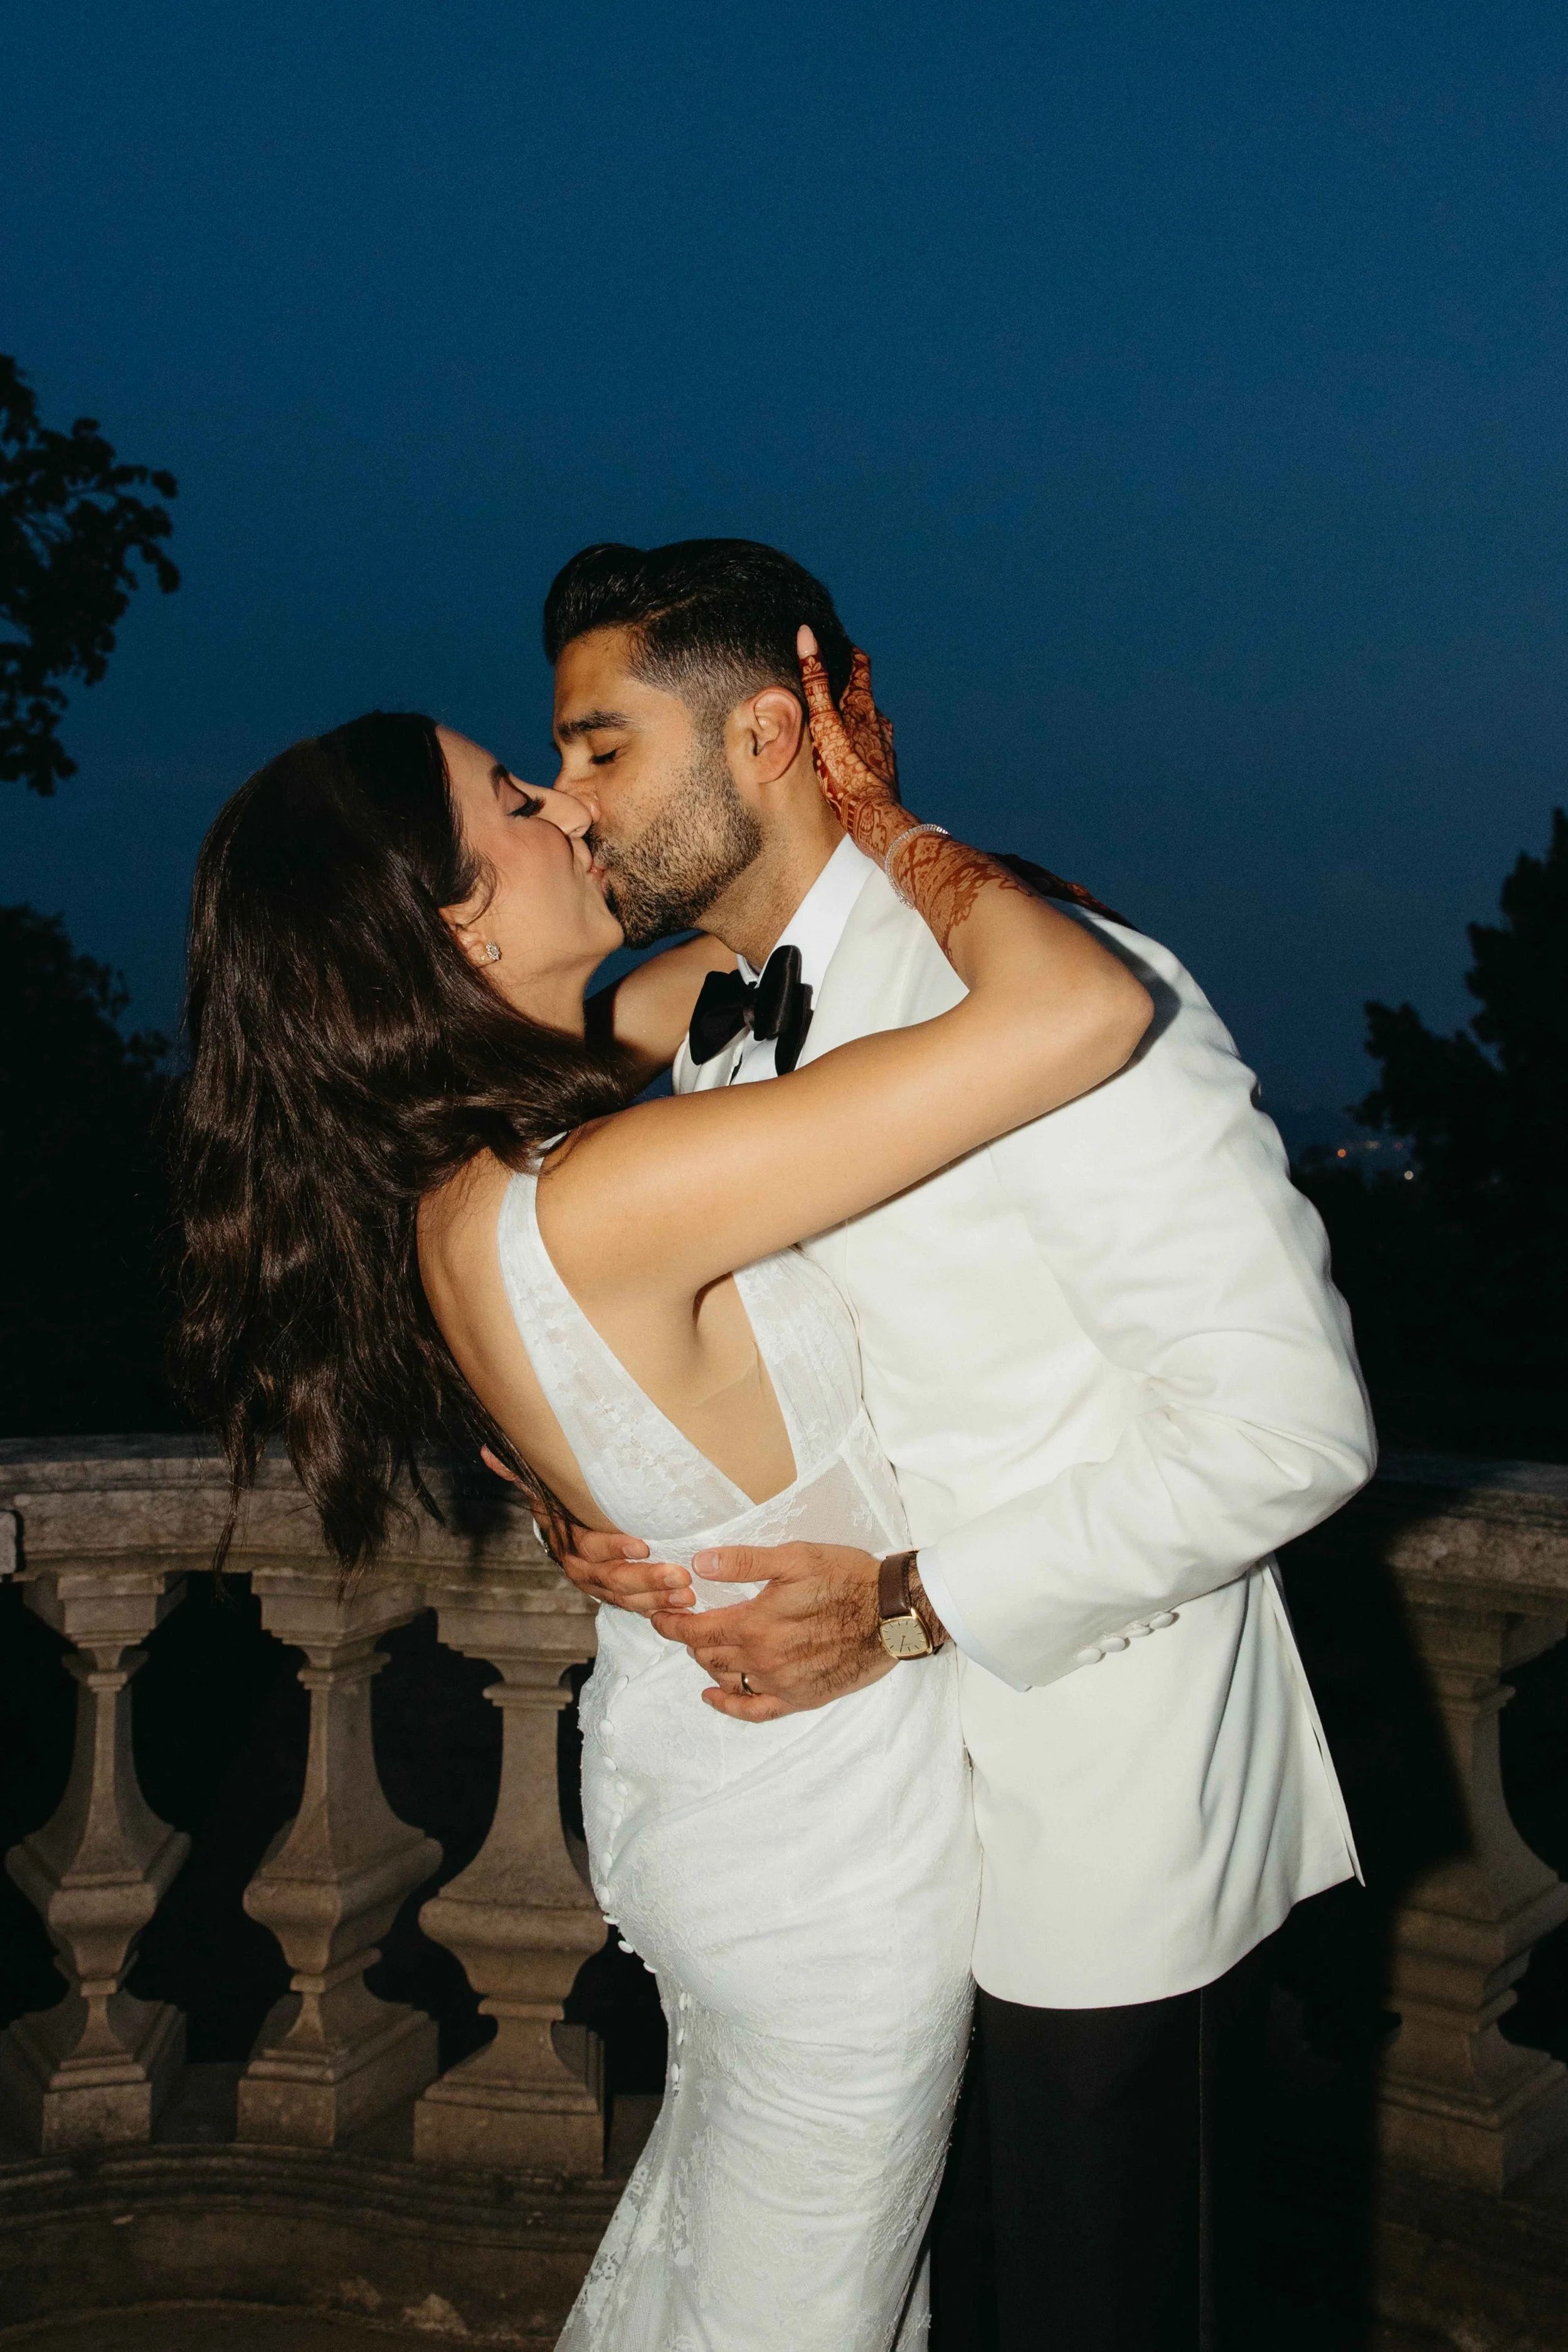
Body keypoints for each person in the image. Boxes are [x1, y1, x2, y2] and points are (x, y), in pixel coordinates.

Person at [171, 692, 1150, 2349]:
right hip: (822, 1848)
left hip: (718, 1779)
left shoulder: (482, 1168)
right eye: (515, 800)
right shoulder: (607, 1188)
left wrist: (809, 827)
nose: (564, 802)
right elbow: (1081, 1004)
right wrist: (886, 818)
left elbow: (737, 964)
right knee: (807, 2308)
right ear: (451, 917)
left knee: (733, 2252)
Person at [543, 538, 1378, 2351]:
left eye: (602, 748)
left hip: (1102, 1827)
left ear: (764, 729)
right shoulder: (713, 1047)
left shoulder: (1063, 990)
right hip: (864, 1843)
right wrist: (619, 1513)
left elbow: (1285, 1428)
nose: (566, 800)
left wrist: (908, 1606)